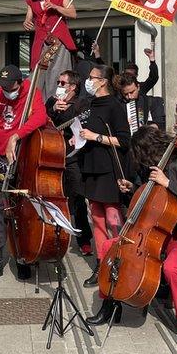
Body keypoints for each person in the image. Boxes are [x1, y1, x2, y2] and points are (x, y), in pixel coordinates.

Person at [87, 126, 177, 346]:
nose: (143, 163)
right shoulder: (154, 168)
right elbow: (150, 204)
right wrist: (133, 189)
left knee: (172, 268)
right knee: (110, 246)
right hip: (157, 233)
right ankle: (109, 306)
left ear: (150, 149)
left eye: (142, 156)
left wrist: (168, 183)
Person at [0, 65, 48, 283]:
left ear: (19, 82)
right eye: (3, 87)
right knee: (0, 210)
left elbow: (41, 117)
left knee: (23, 211)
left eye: (10, 87)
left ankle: (24, 257)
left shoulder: (31, 91)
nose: (6, 91)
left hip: (21, 158)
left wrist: (16, 135)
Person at [76, 64, 131, 288]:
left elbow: (124, 140)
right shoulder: (89, 103)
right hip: (90, 166)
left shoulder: (115, 106)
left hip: (109, 169)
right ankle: (101, 262)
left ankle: (119, 260)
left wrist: (95, 137)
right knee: (96, 218)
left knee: (112, 217)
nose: (89, 81)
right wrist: (79, 138)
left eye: (92, 77)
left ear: (103, 81)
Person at [45, 70, 94, 256]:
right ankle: (55, 235)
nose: (59, 85)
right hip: (50, 155)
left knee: (78, 198)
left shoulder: (81, 104)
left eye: (63, 83)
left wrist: (77, 135)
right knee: (54, 198)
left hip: (72, 156)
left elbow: (86, 125)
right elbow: (41, 121)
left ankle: (83, 239)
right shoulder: (51, 101)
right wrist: (53, 111)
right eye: (58, 81)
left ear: (73, 87)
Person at [22, 0, 77, 99]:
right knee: (38, 76)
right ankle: (37, 106)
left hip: (59, 42)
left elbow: (73, 13)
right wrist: (26, 22)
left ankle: (59, 103)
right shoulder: (31, 1)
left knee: (59, 76)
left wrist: (56, 7)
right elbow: (28, 18)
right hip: (41, 44)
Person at [117, 51, 165, 133]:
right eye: (126, 94)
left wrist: (152, 60)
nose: (130, 96)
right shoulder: (118, 98)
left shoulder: (143, 91)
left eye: (132, 92)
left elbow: (153, 78)